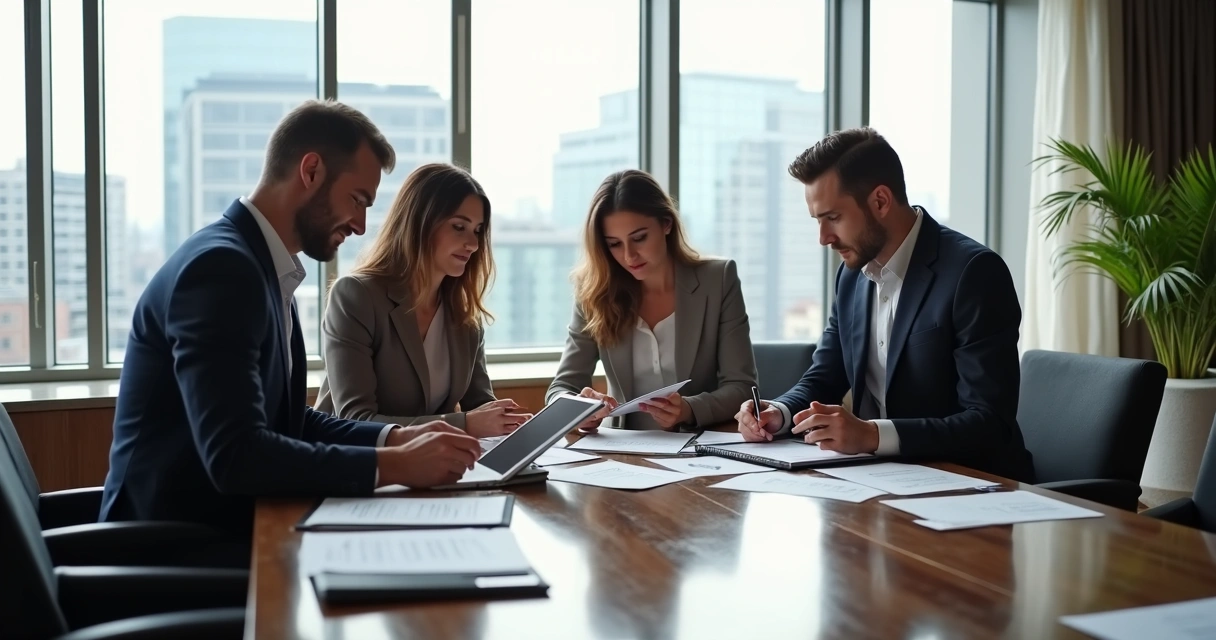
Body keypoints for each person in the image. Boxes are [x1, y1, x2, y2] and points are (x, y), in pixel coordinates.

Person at [100, 101, 482, 539]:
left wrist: (395, 438)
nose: (360, 225)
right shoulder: (222, 269)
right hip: (174, 547)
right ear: (312, 171)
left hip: (235, 527)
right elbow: (237, 456)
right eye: (357, 200)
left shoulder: (262, 268)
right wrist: (393, 464)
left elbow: (287, 421)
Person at [736, 127, 1034, 482]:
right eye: (818, 221)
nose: (823, 238)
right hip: (877, 483)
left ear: (880, 201)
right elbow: (825, 375)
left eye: (833, 218)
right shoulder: (852, 276)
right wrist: (779, 412)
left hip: (972, 485)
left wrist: (872, 435)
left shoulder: (974, 273)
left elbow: (988, 422)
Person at [315, 163, 531, 434]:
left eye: (477, 230)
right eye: (458, 226)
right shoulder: (355, 296)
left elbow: (480, 407)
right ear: (420, 223)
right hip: (355, 468)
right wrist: (463, 424)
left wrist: (514, 422)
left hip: (429, 469)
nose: (473, 244)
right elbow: (356, 420)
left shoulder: (465, 317)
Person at [547, 169, 757, 431]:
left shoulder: (718, 280)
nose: (629, 256)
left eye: (639, 238)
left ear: (666, 223)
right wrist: (579, 410)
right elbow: (560, 389)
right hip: (621, 450)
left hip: (698, 445)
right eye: (614, 244)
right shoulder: (594, 291)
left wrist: (690, 409)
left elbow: (742, 387)